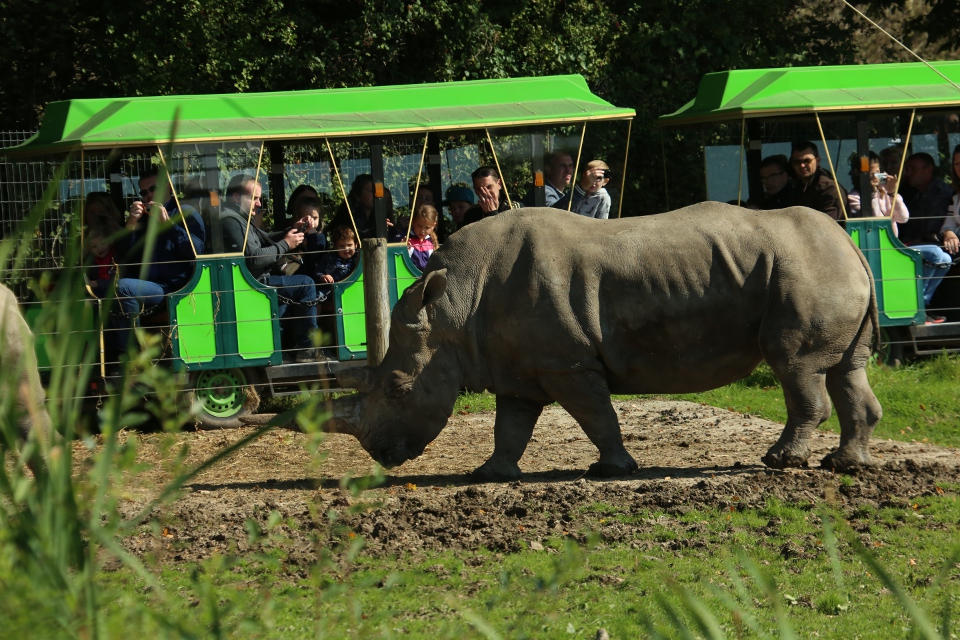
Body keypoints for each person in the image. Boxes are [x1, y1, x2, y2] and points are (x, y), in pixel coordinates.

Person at [220, 174, 325, 362]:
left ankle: (282, 348)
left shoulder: (240, 218)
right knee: (306, 284)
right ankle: (307, 349)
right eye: (254, 198)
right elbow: (254, 258)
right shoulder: (231, 221)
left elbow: (264, 238)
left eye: (260, 198)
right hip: (252, 284)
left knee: (287, 298)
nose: (259, 203)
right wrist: (286, 244)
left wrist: (292, 228)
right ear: (236, 197)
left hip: (256, 281)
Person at [112, 169, 206, 358]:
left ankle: (132, 358)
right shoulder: (142, 220)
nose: (148, 195)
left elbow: (196, 250)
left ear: (169, 188)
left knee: (124, 288)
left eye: (153, 189)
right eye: (144, 192)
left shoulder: (185, 212)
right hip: (150, 287)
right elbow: (123, 254)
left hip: (178, 288)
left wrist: (168, 223)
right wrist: (130, 223)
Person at [847, 151, 909, 235]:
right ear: (858, 173)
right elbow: (875, 222)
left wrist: (892, 193)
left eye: (878, 172)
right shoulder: (853, 197)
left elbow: (903, 218)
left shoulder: (886, 192)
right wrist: (873, 193)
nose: (876, 176)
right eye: (872, 174)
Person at [898, 152, 954, 246]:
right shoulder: (912, 194)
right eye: (907, 169)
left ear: (929, 170)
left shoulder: (941, 192)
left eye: (913, 169)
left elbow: (933, 226)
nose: (908, 174)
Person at [789, 141, 847, 221]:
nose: (802, 165)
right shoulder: (796, 189)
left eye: (807, 161)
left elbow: (827, 224)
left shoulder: (829, 188)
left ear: (818, 160)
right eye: (797, 162)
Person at [328, 174, 396, 240]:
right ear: (357, 196)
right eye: (371, 191)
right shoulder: (347, 216)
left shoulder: (377, 215)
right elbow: (354, 239)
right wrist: (377, 230)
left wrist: (396, 228)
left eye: (377, 191)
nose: (376, 195)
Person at [406, 205, 438, 270]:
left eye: (427, 227)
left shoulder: (432, 242)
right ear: (413, 222)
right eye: (419, 226)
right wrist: (403, 249)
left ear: (434, 226)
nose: (422, 231)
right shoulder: (406, 239)